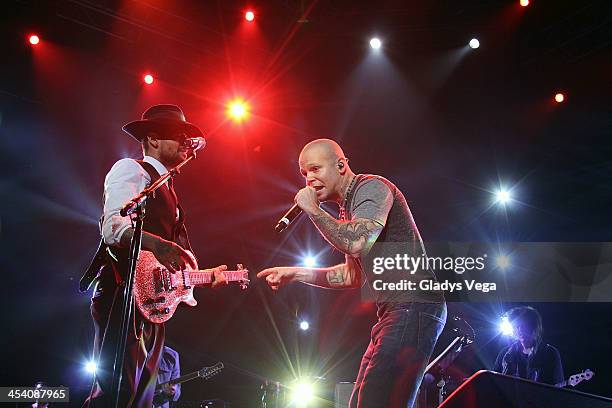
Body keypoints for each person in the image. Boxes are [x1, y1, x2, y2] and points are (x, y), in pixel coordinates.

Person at [258, 139, 446, 408]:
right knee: (360, 401)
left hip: (414, 305)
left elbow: (357, 242)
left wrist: (313, 210)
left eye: (315, 169)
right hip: (395, 312)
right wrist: (296, 273)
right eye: (304, 173)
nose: (309, 179)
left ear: (341, 165)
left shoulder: (372, 187)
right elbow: (351, 276)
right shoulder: (348, 211)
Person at [83, 104, 227, 407]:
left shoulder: (170, 193)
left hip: (151, 306)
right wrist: (158, 244)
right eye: (179, 136)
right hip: (122, 293)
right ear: (153, 139)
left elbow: (171, 269)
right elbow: (113, 227)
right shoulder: (131, 169)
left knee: (142, 399)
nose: (187, 144)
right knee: (115, 389)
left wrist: (197, 279)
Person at [493, 306, 564, 386]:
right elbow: (494, 383)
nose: (520, 330)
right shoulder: (505, 353)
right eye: (517, 326)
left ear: (534, 327)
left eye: (524, 326)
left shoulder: (550, 353)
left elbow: (557, 387)